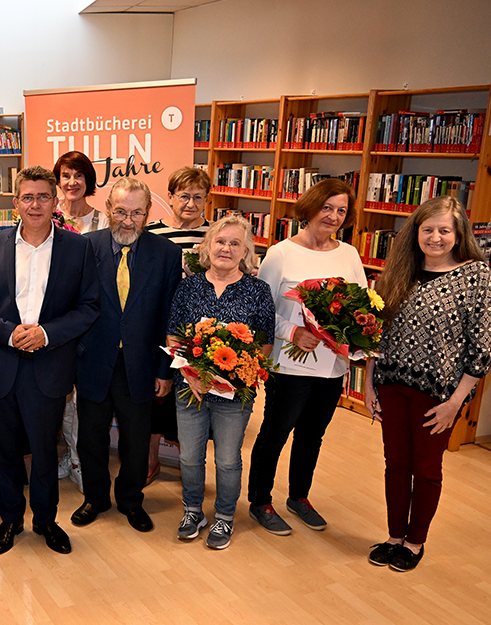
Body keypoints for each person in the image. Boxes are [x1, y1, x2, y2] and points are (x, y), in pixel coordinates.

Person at [0, 165, 100, 556]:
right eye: (28, 197)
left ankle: (45, 519)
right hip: (3, 362)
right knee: (5, 450)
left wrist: (46, 333)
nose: (36, 204)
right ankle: (10, 519)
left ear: (56, 200)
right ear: (15, 203)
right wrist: (8, 333)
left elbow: (89, 307)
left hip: (50, 364)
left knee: (44, 449)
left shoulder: (79, 248)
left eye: (44, 196)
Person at [364, 196, 491, 572]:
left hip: (438, 395)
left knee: (426, 469)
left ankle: (414, 541)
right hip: (391, 386)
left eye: (444, 230)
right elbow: (376, 333)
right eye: (428, 230)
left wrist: (456, 402)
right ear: (416, 232)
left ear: (458, 235)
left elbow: (482, 347)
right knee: (395, 465)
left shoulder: (476, 276)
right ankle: (393, 536)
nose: (435, 238)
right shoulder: (398, 271)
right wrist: (370, 385)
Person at [247, 178, 367, 535]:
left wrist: (354, 333)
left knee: (312, 435)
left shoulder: (349, 255)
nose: (333, 216)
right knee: (276, 432)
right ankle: (260, 500)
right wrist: (292, 332)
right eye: (327, 207)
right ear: (311, 207)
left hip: (332, 366)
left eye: (341, 210)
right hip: (289, 365)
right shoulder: (281, 253)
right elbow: (262, 309)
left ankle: (299, 497)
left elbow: (359, 305)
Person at [72, 177, 182, 533]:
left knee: (136, 438)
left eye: (137, 213)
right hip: (92, 361)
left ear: (148, 214)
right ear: (108, 210)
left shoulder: (166, 254)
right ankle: (95, 498)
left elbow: (169, 315)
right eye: (120, 211)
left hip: (142, 364)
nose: (128, 220)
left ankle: (131, 501)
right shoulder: (84, 248)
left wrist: (165, 370)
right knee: (91, 437)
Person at [168, 215, 275, 550]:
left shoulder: (258, 290)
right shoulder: (189, 286)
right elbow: (173, 335)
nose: (226, 248)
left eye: (234, 244)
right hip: (191, 387)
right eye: (220, 241)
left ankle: (225, 517)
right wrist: (192, 374)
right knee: (189, 457)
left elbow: (265, 343)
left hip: (234, 393)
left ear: (245, 252)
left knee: (228, 458)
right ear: (207, 246)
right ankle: (192, 511)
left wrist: (234, 376)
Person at [147, 166, 213, 484]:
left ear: (206, 200)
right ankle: (150, 461)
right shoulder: (152, 233)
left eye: (198, 197)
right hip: (159, 327)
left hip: (201, 332)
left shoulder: (215, 236)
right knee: (154, 400)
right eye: (184, 196)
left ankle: (192, 471)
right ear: (170, 197)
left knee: (195, 401)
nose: (190, 203)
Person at [52, 151, 107, 493]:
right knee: (61, 397)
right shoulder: (47, 216)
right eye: (65, 175)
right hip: (55, 321)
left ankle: (81, 459)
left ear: (88, 181)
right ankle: (70, 456)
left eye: (78, 176)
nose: (72, 182)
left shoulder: (104, 221)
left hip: (91, 322)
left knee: (84, 400)